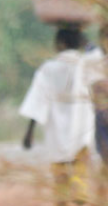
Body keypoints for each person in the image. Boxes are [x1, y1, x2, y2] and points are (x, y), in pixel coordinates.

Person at [21, 27, 101, 205]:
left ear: (60, 44)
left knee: (60, 177)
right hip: (82, 127)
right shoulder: (85, 64)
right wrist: (86, 42)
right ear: (78, 42)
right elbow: (99, 59)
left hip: (57, 131)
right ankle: (80, 199)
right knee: (80, 178)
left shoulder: (48, 68)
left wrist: (29, 132)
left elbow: (37, 100)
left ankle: (63, 200)